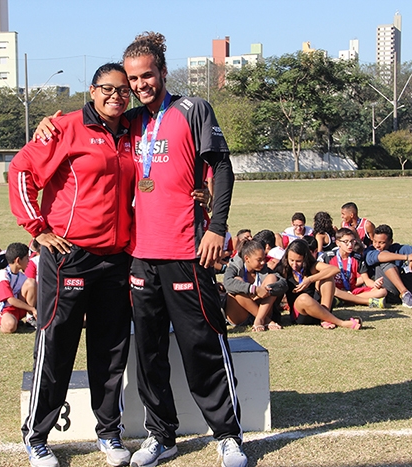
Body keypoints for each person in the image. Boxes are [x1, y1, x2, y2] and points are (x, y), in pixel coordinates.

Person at [121, 33, 248, 467]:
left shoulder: (193, 109)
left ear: (162, 71)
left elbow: (222, 166)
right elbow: (85, 125)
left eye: (148, 75)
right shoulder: (130, 121)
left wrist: (217, 227)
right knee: (149, 350)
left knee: (202, 345)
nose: (141, 84)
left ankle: (228, 435)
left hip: (187, 249)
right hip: (140, 254)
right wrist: (52, 120)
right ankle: (162, 436)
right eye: (134, 78)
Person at [10, 63, 135, 467]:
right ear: (93, 90)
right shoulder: (64, 127)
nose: (116, 97)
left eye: (123, 91)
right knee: (57, 345)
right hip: (69, 256)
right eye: (108, 89)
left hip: (116, 258)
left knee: (111, 349)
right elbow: (22, 170)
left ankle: (109, 433)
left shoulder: (133, 129)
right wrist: (37, 227)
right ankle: (37, 436)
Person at [280, 239, 362, 330]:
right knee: (304, 298)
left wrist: (310, 279)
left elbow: (334, 269)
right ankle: (341, 323)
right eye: (291, 260)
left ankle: (325, 319)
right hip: (301, 313)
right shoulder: (284, 268)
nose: (294, 264)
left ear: (305, 258)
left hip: (319, 308)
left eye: (299, 261)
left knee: (327, 277)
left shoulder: (311, 266)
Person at [364, 224, 412, 308]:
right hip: (386, 291)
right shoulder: (370, 251)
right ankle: (404, 294)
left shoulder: (398, 249)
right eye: (375, 241)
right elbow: (380, 256)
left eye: (381, 242)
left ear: (390, 242)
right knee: (385, 260)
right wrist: (407, 257)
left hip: (406, 284)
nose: (377, 245)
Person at [223, 240, 287, 332]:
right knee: (237, 281)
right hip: (239, 315)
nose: (263, 263)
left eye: (264, 259)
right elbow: (227, 283)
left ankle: (260, 319)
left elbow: (283, 284)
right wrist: (253, 289)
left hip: (262, 310)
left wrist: (267, 290)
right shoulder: (234, 267)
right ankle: (265, 320)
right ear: (247, 258)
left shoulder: (265, 269)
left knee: (272, 278)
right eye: (259, 260)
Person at [318, 228, 387, 308]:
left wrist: (375, 284)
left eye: (352, 241)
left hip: (351, 291)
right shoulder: (328, 257)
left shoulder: (357, 257)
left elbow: (366, 280)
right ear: (338, 243)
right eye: (346, 242)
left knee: (382, 291)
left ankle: (344, 301)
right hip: (335, 290)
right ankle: (366, 301)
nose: (350, 245)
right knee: (332, 290)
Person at [0, 242, 37, 333]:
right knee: (10, 326)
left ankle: (30, 318)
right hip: (6, 310)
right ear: (18, 260)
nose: (29, 261)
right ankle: (5, 321)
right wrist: (31, 308)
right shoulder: (2, 276)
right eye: (27, 258)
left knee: (31, 283)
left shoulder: (22, 277)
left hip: (21, 308)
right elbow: (10, 300)